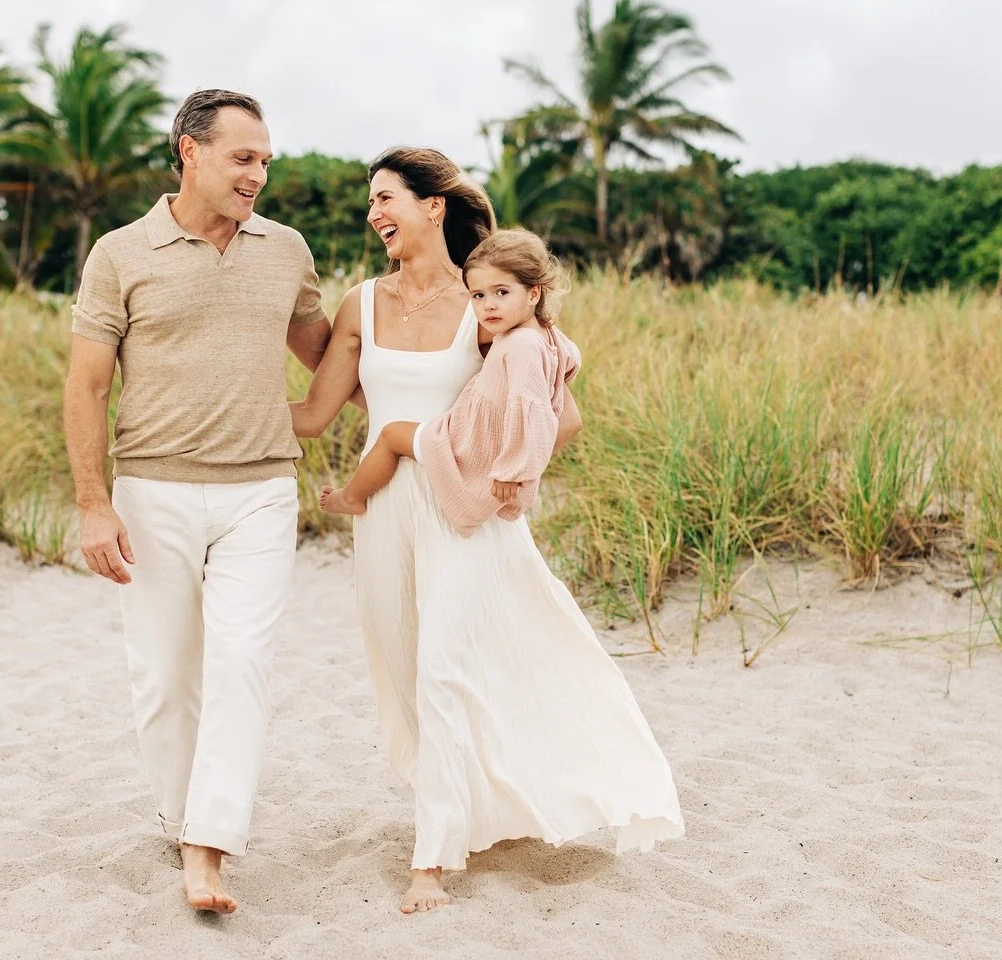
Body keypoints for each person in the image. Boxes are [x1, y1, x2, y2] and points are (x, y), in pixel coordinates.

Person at [290, 148, 685, 914]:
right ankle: (477, 810)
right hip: (381, 518)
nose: (373, 214)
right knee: (408, 675)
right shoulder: (357, 305)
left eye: (385, 198)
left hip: (461, 515)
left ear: (432, 206)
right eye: (369, 203)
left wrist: (498, 465)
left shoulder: (486, 307)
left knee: (442, 671)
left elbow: (560, 418)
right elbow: (311, 417)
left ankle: (429, 864)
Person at [62, 89, 332, 915]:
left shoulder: (286, 249)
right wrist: (93, 502)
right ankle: (182, 819)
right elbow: (87, 383)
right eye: (243, 158)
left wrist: (462, 337)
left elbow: (331, 355)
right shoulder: (119, 252)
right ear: (189, 150)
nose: (259, 174)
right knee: (164, 678)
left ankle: (209, 847)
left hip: (262, 492)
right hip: (153, 492)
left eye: (265, 161)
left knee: (242, 664)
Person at [310, 230, 580, 530]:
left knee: (391, 435)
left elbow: (531, 409)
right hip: (471, 434)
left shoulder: (522, 345)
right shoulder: (541, 336)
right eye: (478, 295)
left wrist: (512, 469)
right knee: (395, 435)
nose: (488, 305)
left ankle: (350, 497)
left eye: (501, 292)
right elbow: (565, 364)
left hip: (461, 441)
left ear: (534, 293)